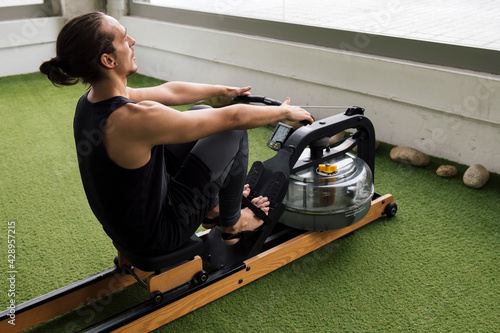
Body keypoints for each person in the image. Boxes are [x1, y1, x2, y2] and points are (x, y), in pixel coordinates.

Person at [39, 12, 313, 255]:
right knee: (232, 133)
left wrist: (222, 90)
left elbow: (171, 92)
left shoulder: (93, 100)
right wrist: (285, 113)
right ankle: (232, 225)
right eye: (124, 38)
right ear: (108, 59)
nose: (132, 41)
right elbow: (233, 118)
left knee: (199, 111)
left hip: (133, 224)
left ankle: (213, 208)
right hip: (159, 235)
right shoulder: (132, 119)